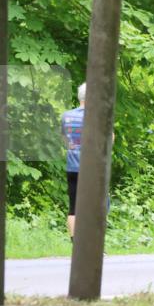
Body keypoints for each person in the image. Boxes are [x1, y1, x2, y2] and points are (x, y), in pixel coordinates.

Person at [61, 83, 87, 239]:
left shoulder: (67, 116)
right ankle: (92, 242)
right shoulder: (98, 115)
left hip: (72, 166)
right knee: (96, 206)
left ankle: (74, 241)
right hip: (92, 168)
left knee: (74, 208)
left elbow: (64, 139)